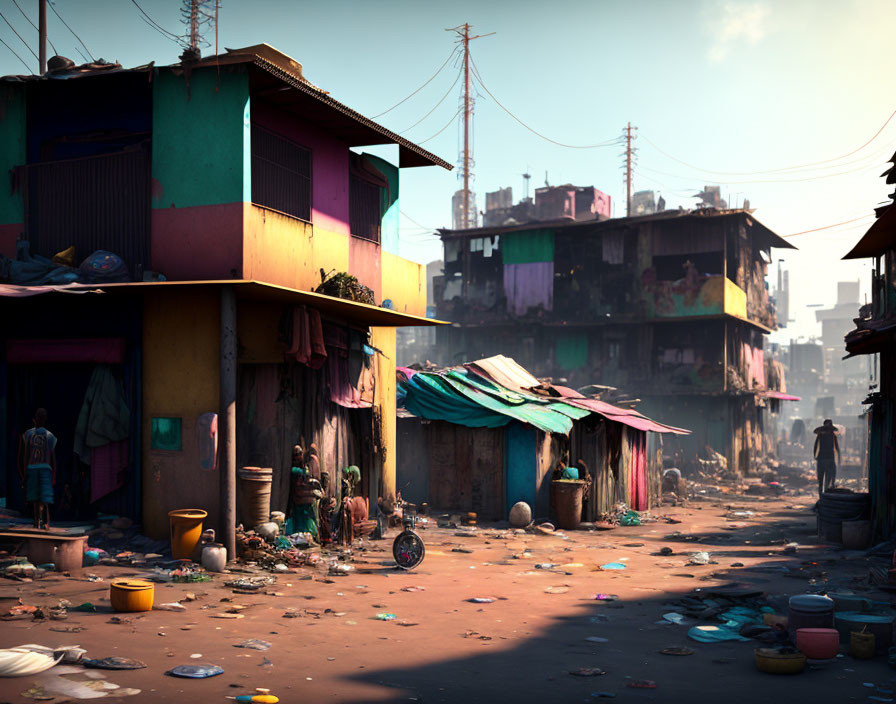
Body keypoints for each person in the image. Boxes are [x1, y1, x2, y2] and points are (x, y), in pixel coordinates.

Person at [17, 408, 57, 530]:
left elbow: (25, 456)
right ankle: (40, 522)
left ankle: (42, 522)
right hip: (38, 468)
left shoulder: (32, 434)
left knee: (41, 498)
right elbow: (25, 456)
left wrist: (24, 474)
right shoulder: (44, 435)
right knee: (39, 499)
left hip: (37, 468)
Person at [287, 444, 322, 542]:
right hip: (299, 497)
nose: (298, 457)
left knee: (308, 518)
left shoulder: (305, 466)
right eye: (296, 455)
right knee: (300, 519)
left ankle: (310, 537)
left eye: (299, 454)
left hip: (305, 497)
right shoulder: (296, 469)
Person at [813, 419, 840, 497]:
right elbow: (837, 448)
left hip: (823, 460)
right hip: (828, 460)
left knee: (822, 482)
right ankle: (824, 498)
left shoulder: (822, 435)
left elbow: (815, 446)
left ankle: (822, 498)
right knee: (825, 482)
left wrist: (815, 455)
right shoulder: (831, 435)